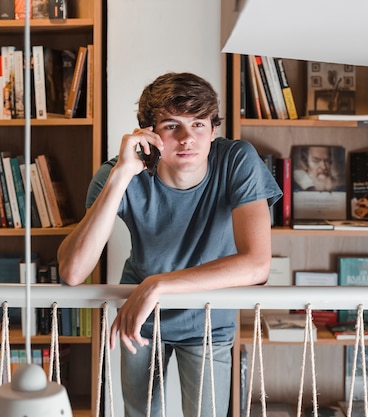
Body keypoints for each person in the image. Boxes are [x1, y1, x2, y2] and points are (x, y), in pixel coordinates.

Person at [57, 72, 282, 417]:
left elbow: (257, 265)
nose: (187, 138)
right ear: (148, 133)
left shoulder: (237, 159)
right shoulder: (120, 172)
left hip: (209, 317)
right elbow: (73, 271)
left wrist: (157, 284)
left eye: (198, 124)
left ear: (214, 129)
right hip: (141, 319)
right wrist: (121, 175)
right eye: (172, 126)